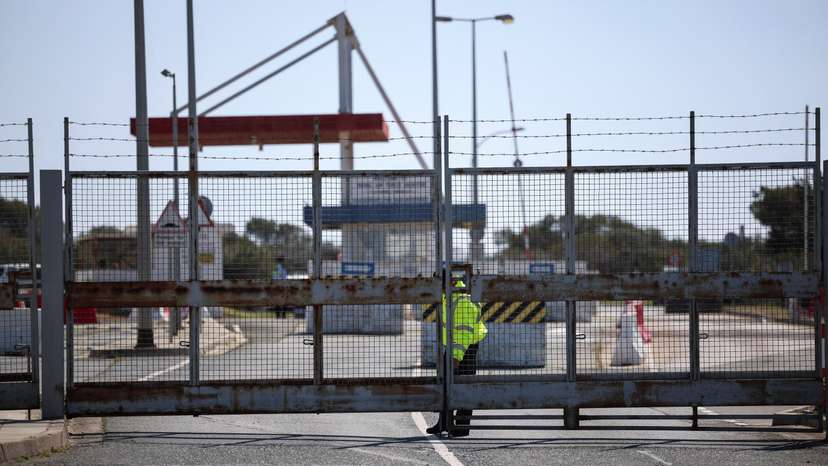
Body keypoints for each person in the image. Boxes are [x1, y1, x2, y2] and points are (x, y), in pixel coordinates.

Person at [426, 278, 488, 437]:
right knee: (446, 382)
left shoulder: (462, 300)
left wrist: (456, 357)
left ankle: (461, 427)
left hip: (465, 348)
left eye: (439, 280)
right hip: (455, 346)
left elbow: (464, 333)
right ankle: (444, 423)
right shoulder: (449, 296)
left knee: (464, 386)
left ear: (449, 281)